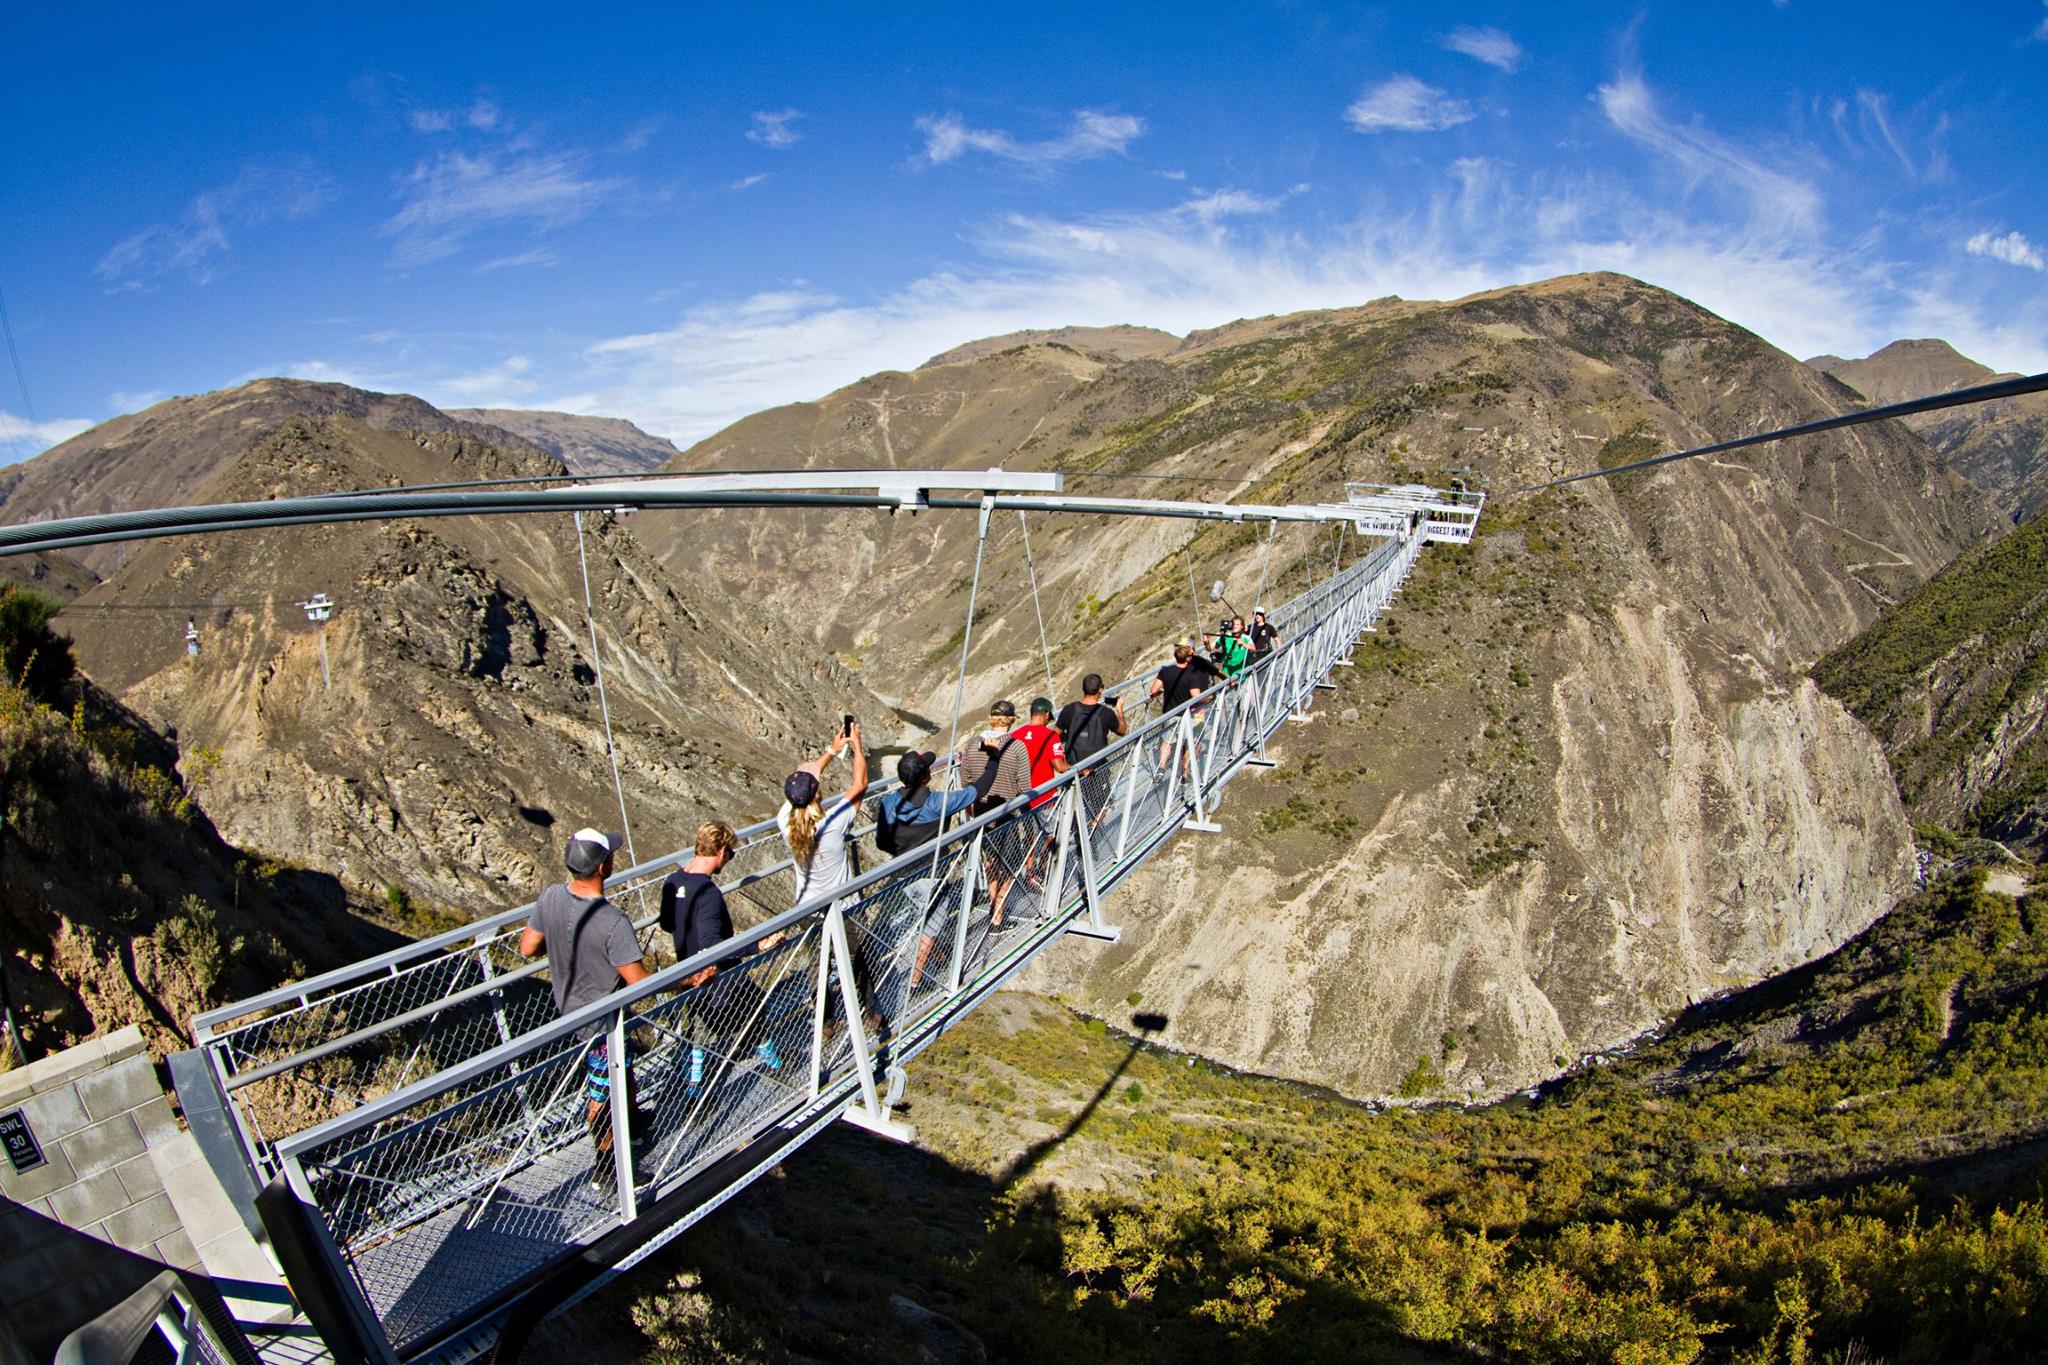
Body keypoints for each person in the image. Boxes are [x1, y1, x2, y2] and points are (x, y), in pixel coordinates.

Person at [518, 827, 649, 1194]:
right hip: (601, 1024)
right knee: (601, 1093)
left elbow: (528, 948)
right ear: (604, 867)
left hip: (570, 1010)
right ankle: (608, 1168)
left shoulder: (550, 898)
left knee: (617, 1078)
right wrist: (685, 980)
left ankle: (633, 1127)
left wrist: (560, 942)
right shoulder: (613, 922)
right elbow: (638, 981)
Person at [659, 819, 780, 1095]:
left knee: (702, 1030)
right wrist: (758, 945)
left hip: (689, 972)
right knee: (755, 1008)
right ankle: (774, 1064)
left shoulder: (673, 880)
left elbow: (667, 923)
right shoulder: (709, 893)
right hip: (720, 977)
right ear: (721, 851)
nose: (729, 860)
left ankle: (695, 1088)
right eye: (731, 854)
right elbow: (714, 947)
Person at [956, 700, 1036, 928]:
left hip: (981, 813)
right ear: (1011, 720)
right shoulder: (1018, 747)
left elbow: (966, 783)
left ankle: (994, 905)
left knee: (991, 861)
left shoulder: (971, 744)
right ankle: (999, 910)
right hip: (1006, 812)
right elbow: (1025, 788)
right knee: (1012, 862)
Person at [778, 719, 869, 908]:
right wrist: (857, 745)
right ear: (817, 793)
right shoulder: (831, 823)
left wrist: (832, 750)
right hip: (842, 908)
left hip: (807, 908)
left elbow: (806, 783)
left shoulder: (785, 819)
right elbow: (860, 784)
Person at [1056, 673, 1126, 767]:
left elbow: (1054, 735)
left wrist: (1069, 737)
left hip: (1074, 771)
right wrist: (1120, 710)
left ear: (1083, 689)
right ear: (1100, 690)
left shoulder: (1069, 710)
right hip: (1098, 770)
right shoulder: (1106, 713)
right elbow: (1122, 731)